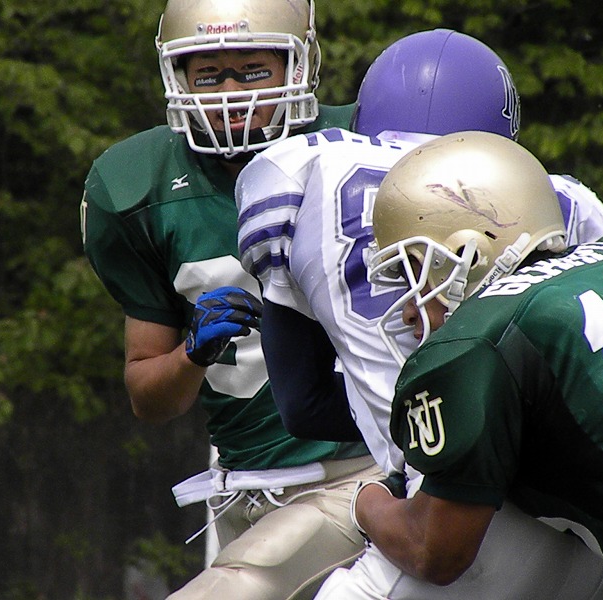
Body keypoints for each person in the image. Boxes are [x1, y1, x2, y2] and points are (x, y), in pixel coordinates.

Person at [236, 30, 603, 598]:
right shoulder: (574, 204)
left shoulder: (299, 172)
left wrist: (380, 470)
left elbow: (303, 407)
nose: (409, 304)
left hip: (455, 520)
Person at [80, 1, 380, 598]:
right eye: (209, 75)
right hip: (241, 490)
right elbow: (149, 396)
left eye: (253, 71)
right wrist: (191, 354)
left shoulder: (365, 143)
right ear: (177, 76)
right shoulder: (138, 186)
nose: (230, 94)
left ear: (298, 65)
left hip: (365, 474)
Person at [355, 129, 603, 600]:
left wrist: (365, 501)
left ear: (469, 253)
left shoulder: (475, 344)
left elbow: (435, 552)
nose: (409, 309)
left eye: (415, 271)